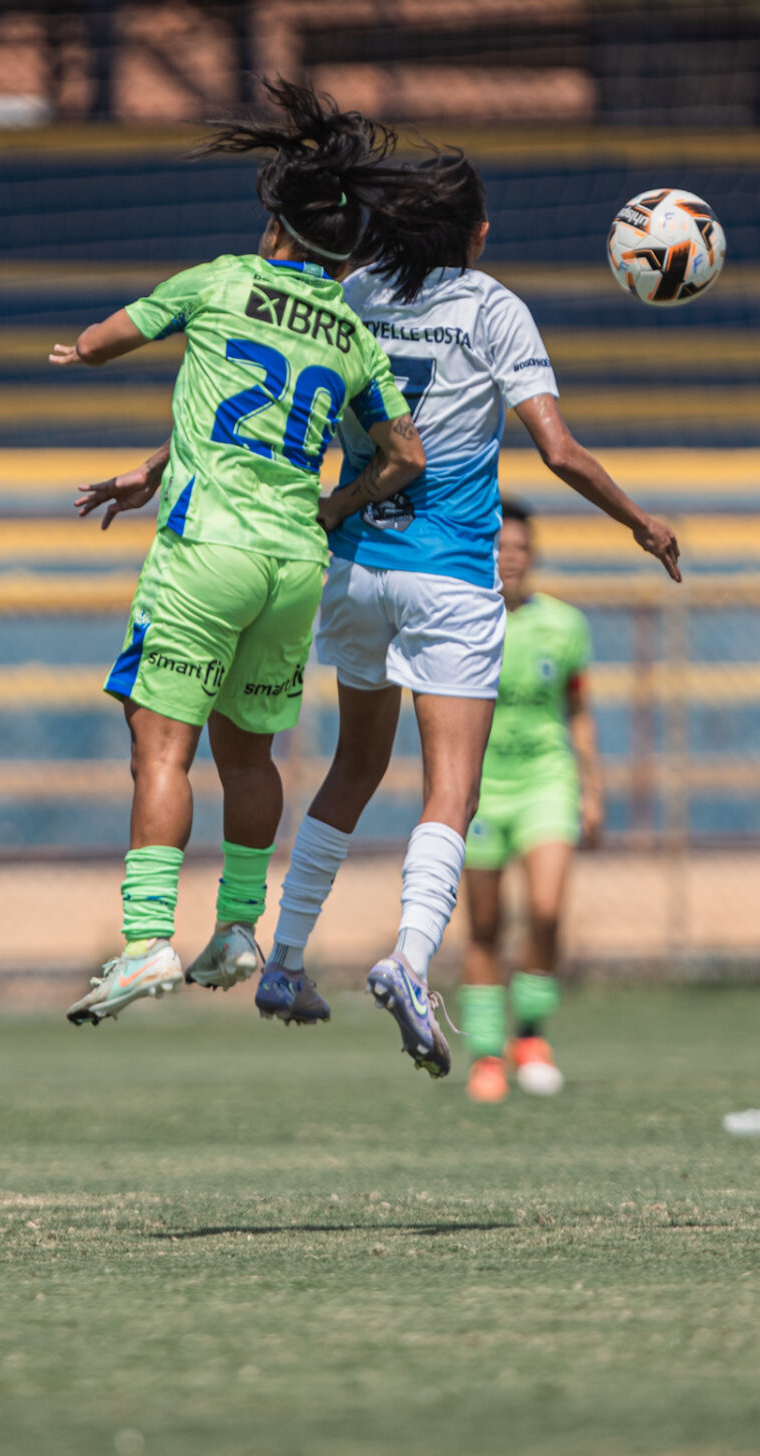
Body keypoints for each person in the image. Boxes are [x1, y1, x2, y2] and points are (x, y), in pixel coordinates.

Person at [261, 150, 680, 1078]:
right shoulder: (494, 309)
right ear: (478, 235)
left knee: (354, 766)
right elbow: (559, 453)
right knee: (452, 789)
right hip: (450, 576)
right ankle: (409, 961)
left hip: (357, 565)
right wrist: (641, 521)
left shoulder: (357, 292)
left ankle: (284, 959)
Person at [55, 81, 422, 1026]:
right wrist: (336, 503)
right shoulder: (351, 336)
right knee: (247, 750)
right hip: (296, 561)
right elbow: (404, 455)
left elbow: (104, 343)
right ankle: (239, 930)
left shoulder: (219, 280)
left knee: (159, 745)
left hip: (205, 548)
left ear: (277, 232)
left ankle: (144, 945)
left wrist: (82, 352)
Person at [459, 501, 599, 1102]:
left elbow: (579, 711)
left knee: (545, 909)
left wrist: (593, 789)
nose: (508, 558)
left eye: (518, 549)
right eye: (498, 548)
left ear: (533, 556)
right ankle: (486, 1055)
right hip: (481, 789)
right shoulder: (461, 620)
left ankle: (533, 1037)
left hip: (546, 779)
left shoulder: (564, 626)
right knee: (485, 925)